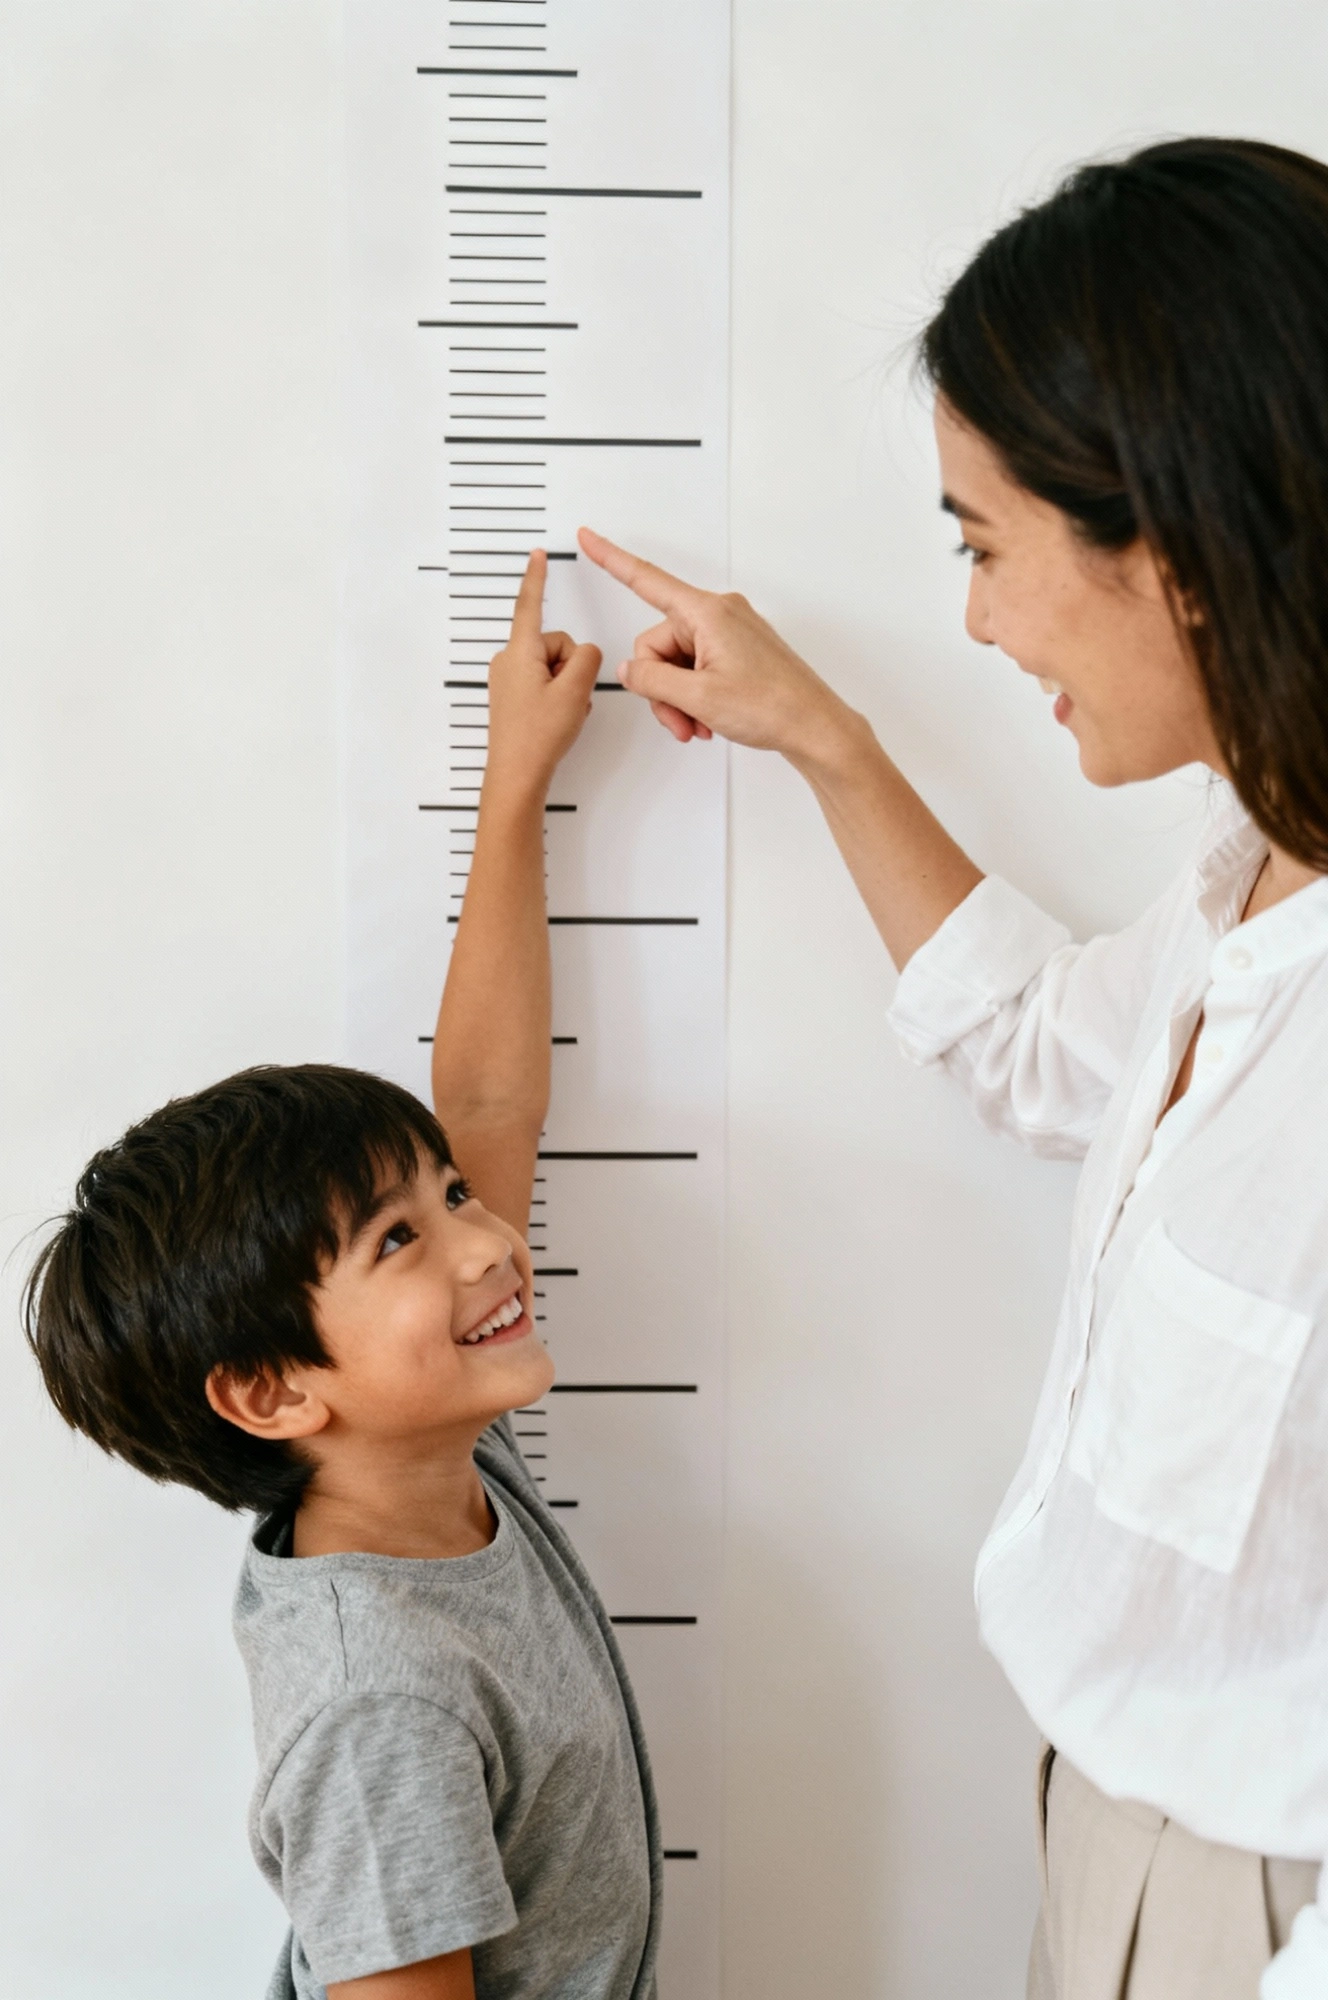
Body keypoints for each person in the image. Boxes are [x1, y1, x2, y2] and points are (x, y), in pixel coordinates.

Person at [580, 137, 1328, 2000]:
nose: (978, 621)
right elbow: (1042, 1047)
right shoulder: (1256, 867)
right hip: (1118, 1829)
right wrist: (823, 741)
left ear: (1178, 545)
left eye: (985, 547)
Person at [24, 555, 663, 2000]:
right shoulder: (381, 1700)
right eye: (404, 1238)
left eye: (445, 1196)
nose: (488, 1236)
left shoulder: (413, 1440)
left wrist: (517, 786)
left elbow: (490, 1094)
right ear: (270, 1390)